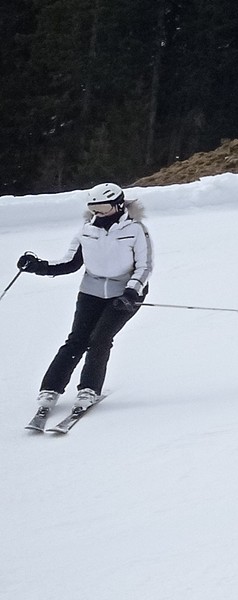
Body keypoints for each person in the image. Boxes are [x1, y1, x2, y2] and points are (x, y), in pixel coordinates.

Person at [20, 182, 154, 431]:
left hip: (125, 294)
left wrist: (130, 292)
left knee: (100, 338)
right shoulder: (87, 230)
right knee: (77, 340)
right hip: (91, 291)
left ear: (118, 205)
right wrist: (39, 266)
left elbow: (144, 267)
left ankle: (89, 389)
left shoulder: (135, 229)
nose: (98, 212)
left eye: (103, 207)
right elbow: (70, 262)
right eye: (94, 208)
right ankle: (50, 389)